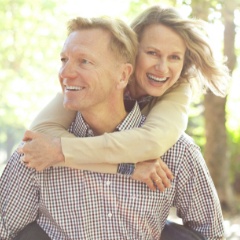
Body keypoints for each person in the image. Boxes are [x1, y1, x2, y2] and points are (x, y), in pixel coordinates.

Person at [1, 7, 226, 239]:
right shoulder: (41, 149)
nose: (162, 67)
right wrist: (129, 169)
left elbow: (152, 142)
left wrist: (62, 152)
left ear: (122, 73)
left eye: (85, 62)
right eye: (64, 60)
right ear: (132, 53)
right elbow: (4, 229)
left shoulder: (177, 145)